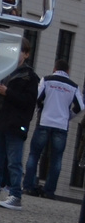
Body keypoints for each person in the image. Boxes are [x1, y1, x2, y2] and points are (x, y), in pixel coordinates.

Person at [0, 40, 41, 209]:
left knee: (14, 162)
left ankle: (15, 194)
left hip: (15, 124)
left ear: (26, 54)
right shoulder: (2, 71)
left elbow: (29, 102)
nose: (16, 55)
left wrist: (8, 92)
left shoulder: (29, 77)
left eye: (20, 51)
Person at [23, 59, 83, 199]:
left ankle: (28, 186)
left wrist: (41, 108)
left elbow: (36, 97)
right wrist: (68, 116)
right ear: (68, 71)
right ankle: (49, 191)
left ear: (54, 68)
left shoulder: (47, 80)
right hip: (61, 125)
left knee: (34, 155)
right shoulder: (73, 86)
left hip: (45, 121)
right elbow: (80, 106)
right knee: (56, 159)